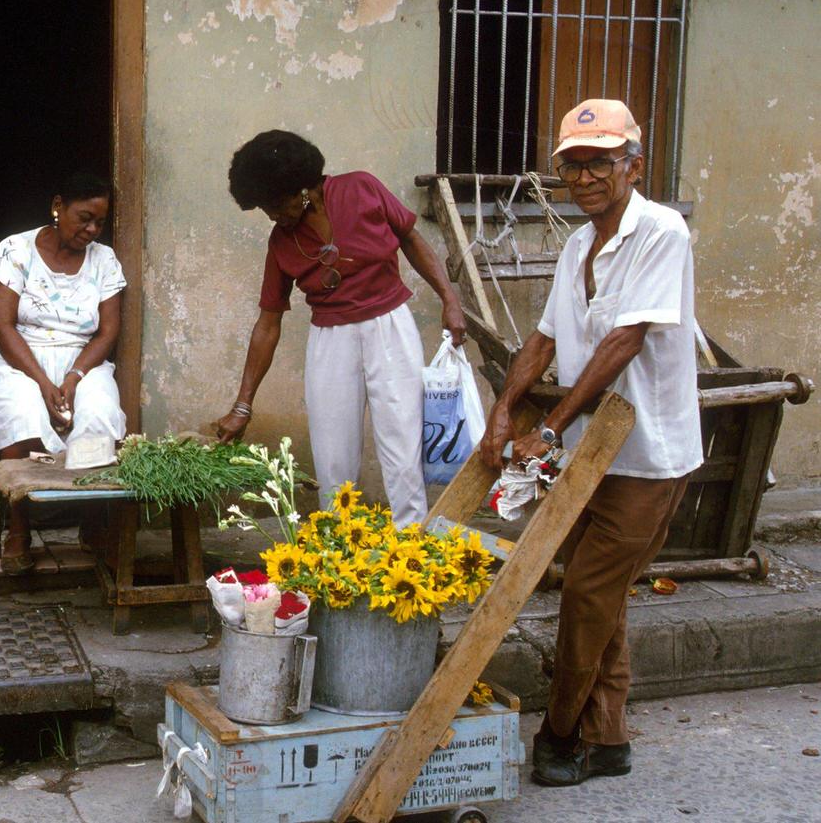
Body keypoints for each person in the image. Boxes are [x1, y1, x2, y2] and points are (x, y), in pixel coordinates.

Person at [479, 99, 702, 787]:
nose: (585, 178)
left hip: (646, 456)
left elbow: (623, 341)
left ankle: (562, 730)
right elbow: (543, 339)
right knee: (603, 599)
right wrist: (504, 405)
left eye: (600, 162)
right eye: (572, 167)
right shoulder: (578, 245)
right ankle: (608, 737)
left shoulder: (662, 232)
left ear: (633, 165)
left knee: (585, 593)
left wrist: (549, 428)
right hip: (589, 459)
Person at [213, 131, 466, 527]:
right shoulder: (281, 243)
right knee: (333, 455)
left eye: (275, 204)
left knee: (402, 445)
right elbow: (268, 323)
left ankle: (412, 547)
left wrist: (450, 299)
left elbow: (412, 240)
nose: (271, 216)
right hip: (331, 340)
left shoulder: (361, 189)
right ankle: (338, 554)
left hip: (390, 328)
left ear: (302, 191)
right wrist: (243, 405)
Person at [0, 173, 126, 574]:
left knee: (99, 409)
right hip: (18, 357)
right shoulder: (15, 250)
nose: (91, 230)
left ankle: (91, 524)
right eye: (84, 218)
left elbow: (108, 331)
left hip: (80, 359)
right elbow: (0, 324)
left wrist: (72, 379)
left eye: (99, 223)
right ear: (58, 205)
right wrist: (43, 383)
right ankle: (19, 529)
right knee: (22, 411)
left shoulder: (104, 260)